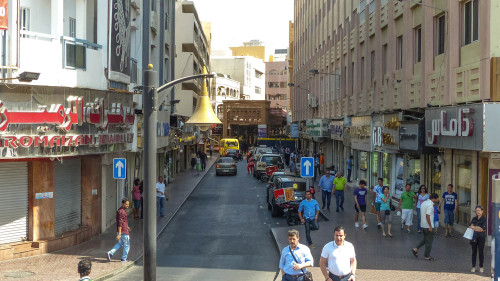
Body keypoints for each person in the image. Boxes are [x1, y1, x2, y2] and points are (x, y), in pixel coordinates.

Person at [412, 193, 440, 261]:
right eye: (436, 199)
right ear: (433, 199)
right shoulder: (430, 205)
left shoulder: (424, 203)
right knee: (429, 242)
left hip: (423, 224)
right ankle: (427, 256)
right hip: (428, 225)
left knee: (425, 239)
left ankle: (415, 249)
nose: (436, 201)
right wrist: (430, 225)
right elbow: (428, 215)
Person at [107, 198, 131, 263]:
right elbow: (120, 222)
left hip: (122, 230)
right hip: (123, 231)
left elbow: (123, 221)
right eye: (126, 204)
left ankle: (110, 253)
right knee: (127, 245)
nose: (127, 206)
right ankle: (124, 259)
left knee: (120, 243)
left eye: (128, 204)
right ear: (122, 204)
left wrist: (127, 226)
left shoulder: (120, 210)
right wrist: (119, 234)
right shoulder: (122, 211)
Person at [469, 205, 487, 273]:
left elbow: (482, 229)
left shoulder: (484, 219)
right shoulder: (474, 218)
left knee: (481, 253)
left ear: (482, 211)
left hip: (481, 238)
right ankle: (473, 266)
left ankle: (481, 267)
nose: (477, 212)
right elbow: (470, 226)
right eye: (476, 211)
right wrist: (477, 228)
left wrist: (474, 227)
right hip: (474, 238)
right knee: (474, 252)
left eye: (479, 210)